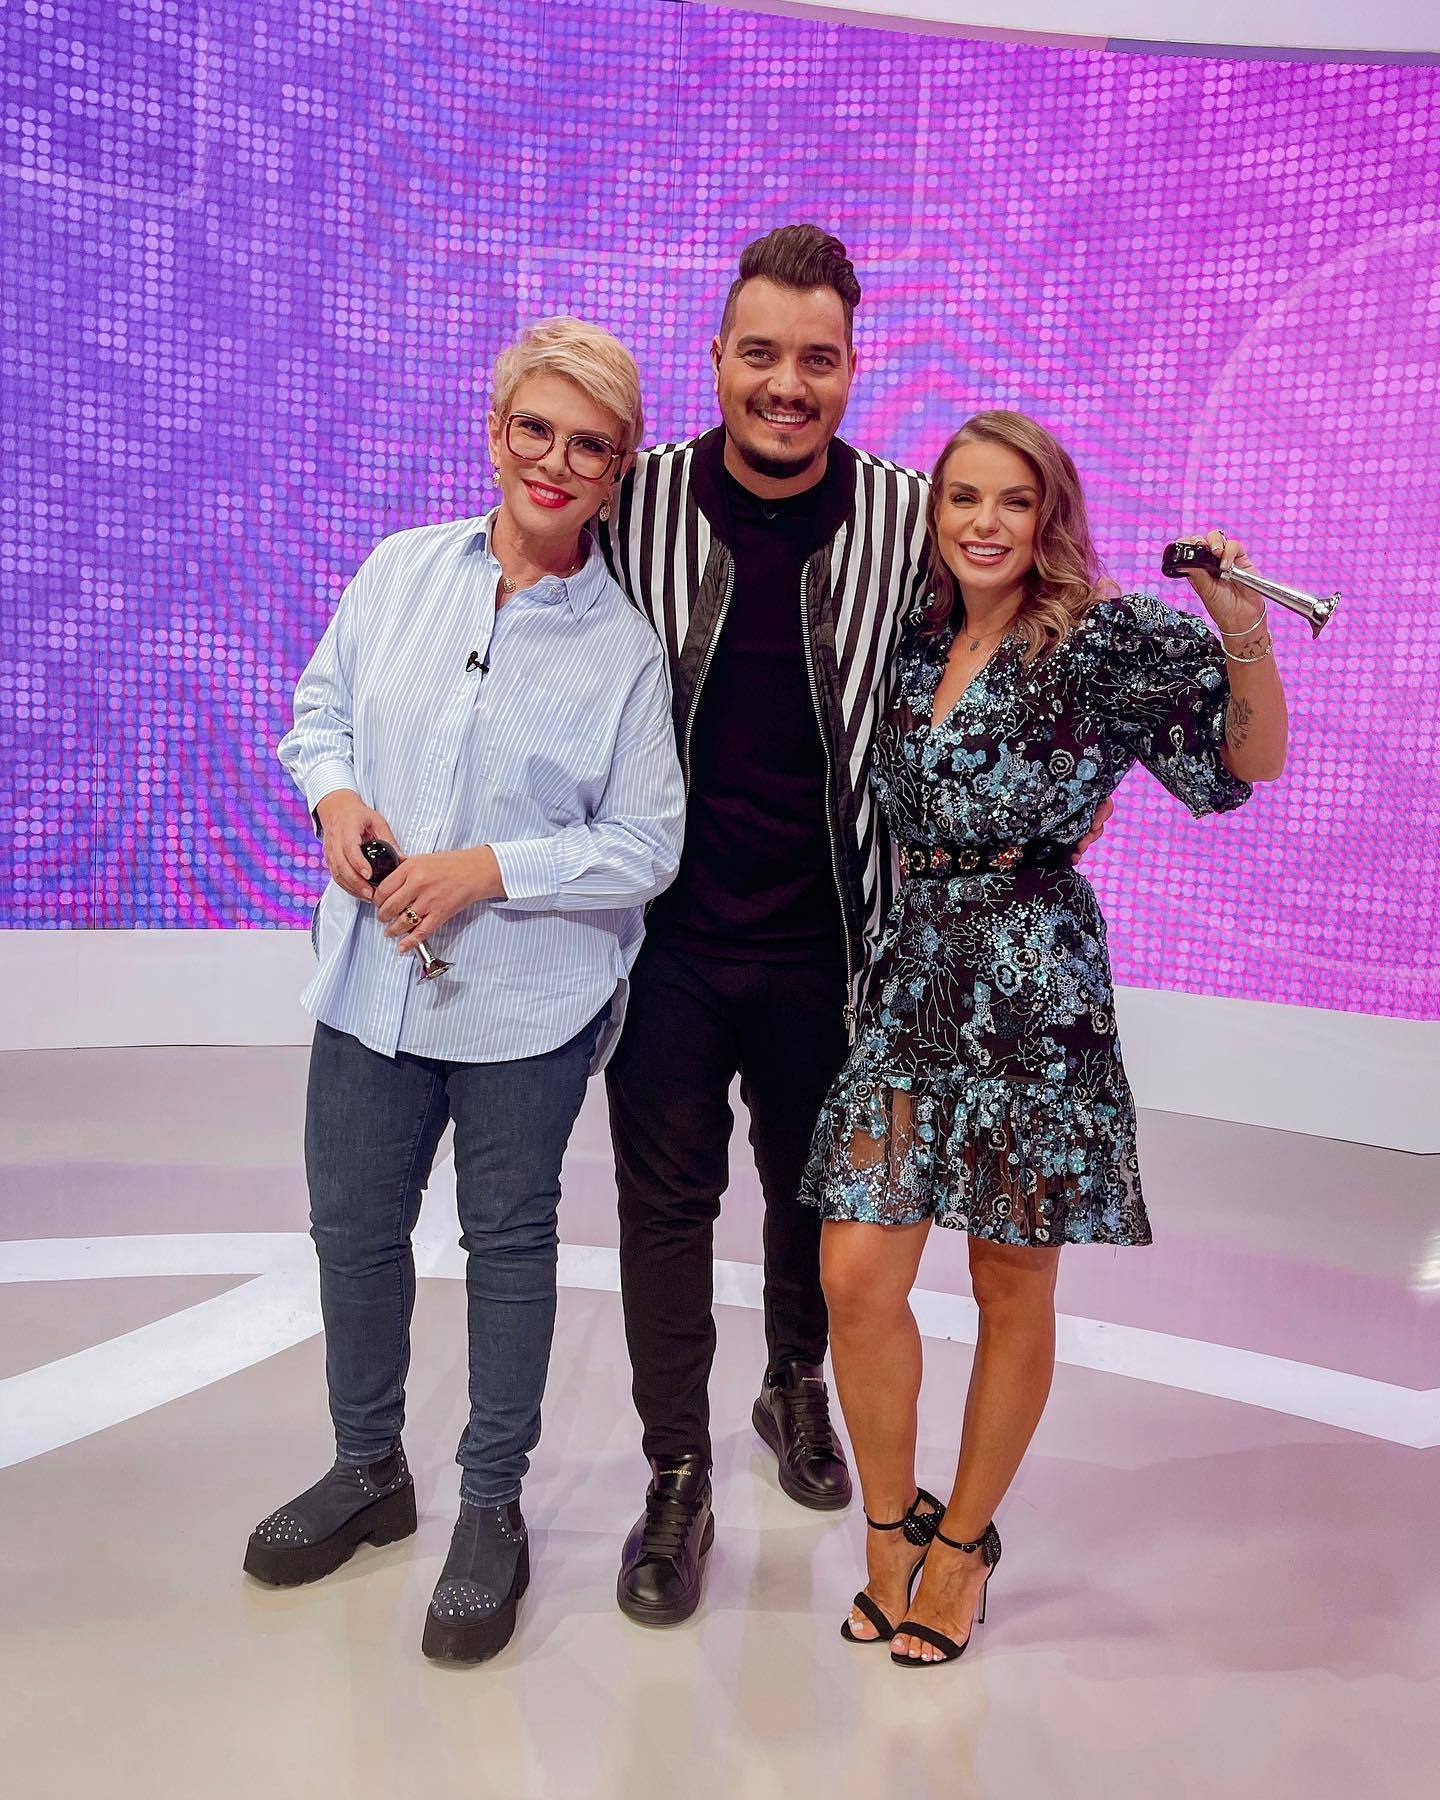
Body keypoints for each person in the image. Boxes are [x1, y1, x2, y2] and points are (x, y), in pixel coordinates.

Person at [597, 228, 1111, 1625]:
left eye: (816, 359)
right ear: (717, 358)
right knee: (665, 1206)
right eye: (760, 353)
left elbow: (1012, 632)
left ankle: (793, 1385)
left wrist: (1070, 778)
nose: (787, 383)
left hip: (843, 941)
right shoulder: (633, 502)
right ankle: (678, 1472)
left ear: (851, 368)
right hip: (663, 939)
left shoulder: (907, 514)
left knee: (817, 1204)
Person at [802, 410, 1288, 1666]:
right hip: (913, 980)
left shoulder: (1101, 640)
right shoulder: (914, 639)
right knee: (855, 1276)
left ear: (1048, 517)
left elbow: (1246, 763)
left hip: (1034, 987)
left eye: (1012, 501)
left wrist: (1239, 625)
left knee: (1010, 1281)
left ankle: (961, 1548)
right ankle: (890, 1533)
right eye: (963, 497)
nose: (983, 521)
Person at [248, 318, 685, 1666]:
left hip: (527, 1010)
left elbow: (647, 845)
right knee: (353, 1234)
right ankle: (369, 1470)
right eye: (533, 429)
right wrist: (335, 799)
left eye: (588, 445)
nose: (554, 461)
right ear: (495, 432)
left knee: (507, 1248)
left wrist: (490, 869)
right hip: (365, 988)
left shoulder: (623, 651)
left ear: (618, 470)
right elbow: (319, 709)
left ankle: (492, 1506)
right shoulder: (398, 571)